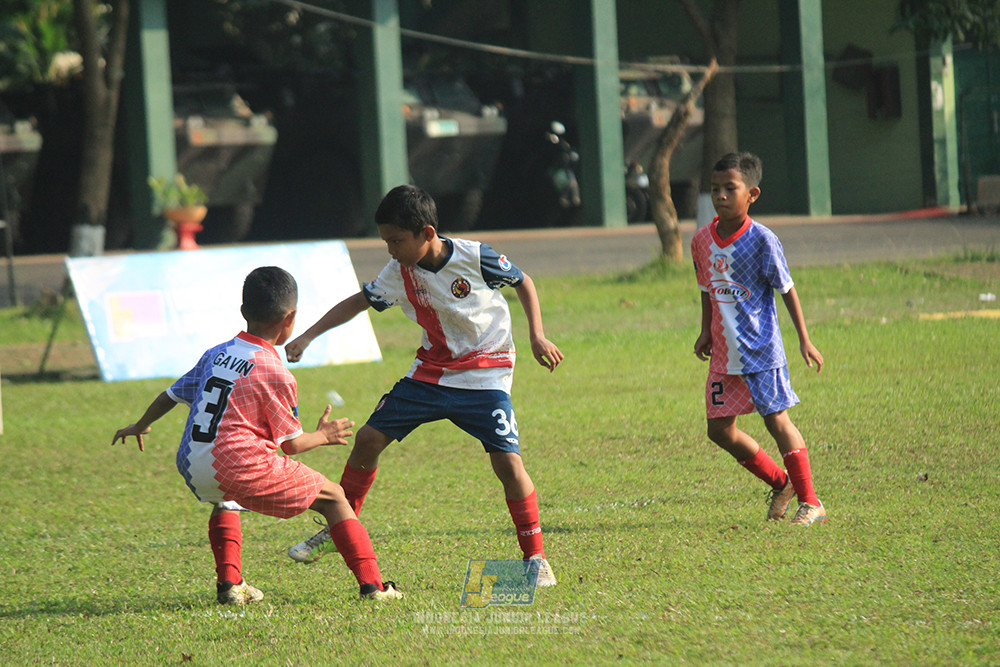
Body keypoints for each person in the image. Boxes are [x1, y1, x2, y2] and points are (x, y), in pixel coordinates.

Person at [284, 184, 564, 586]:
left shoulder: (474, 255)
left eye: (396, 240)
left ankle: (535, 559)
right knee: (367, 439)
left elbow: (524, 282)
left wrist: (537, 335)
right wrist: (308, 336)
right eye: (386, 242)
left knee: (508, 463)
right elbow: (358, 302)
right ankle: (338, 527)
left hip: (486, 372)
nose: (391, 250)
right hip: (431, 373)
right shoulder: (398, 271)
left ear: (427, 233)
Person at [112, 266, 403, 603]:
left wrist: (141, 423)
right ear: (290, 318)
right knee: (335, 497)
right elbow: (292, 445)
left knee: (227, 496)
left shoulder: (217, 353)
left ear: (243, 311)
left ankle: (231, 586)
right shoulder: (274, 371)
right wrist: (324, 434)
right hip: (237, 465)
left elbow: (171, 395)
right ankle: (374, 587)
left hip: (193, 464)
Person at [691, 152, 827, 526]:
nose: (720, 195)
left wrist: (804, 338)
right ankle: (781, 483)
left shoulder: (762, 240)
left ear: (752, 194)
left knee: (776, 420)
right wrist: (706, 330)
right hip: (723, 353)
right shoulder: (701, 240)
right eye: (715, 188)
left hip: (760, 350)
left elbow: (787, 289)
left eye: (729, 188)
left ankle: (812, 502)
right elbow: (706, 287)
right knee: (718, 430)